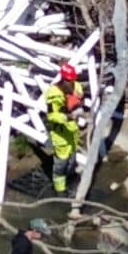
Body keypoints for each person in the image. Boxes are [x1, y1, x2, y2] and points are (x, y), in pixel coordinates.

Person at [41, 64, 84, 194]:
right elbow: (51, 115)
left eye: (73, 81)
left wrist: (78, 102)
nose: (72, 84)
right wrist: (67, 116)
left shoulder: (76, 86)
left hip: (73, 130)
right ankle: (60, 189)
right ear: (63, 80)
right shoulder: (53, 93)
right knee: (61, 162)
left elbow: (80, 97)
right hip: (60, 133)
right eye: (69, 81)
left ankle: (70, 179)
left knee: (72, 158)